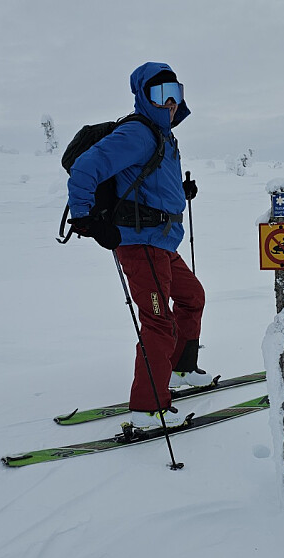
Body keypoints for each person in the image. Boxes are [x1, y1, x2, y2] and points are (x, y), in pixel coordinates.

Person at [66, 62, 212, 430]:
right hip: (140, 244)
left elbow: (148, 183)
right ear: (143, 97)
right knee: (158, 322)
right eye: (160, 95)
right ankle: (148, 409)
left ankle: (180, 368)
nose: (170, 104)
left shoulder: (162, 137)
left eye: (175, 94)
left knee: (192, 296)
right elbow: (86, 168)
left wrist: (182, 193)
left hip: (161, 242)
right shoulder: (138, 133)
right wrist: (85, 218)